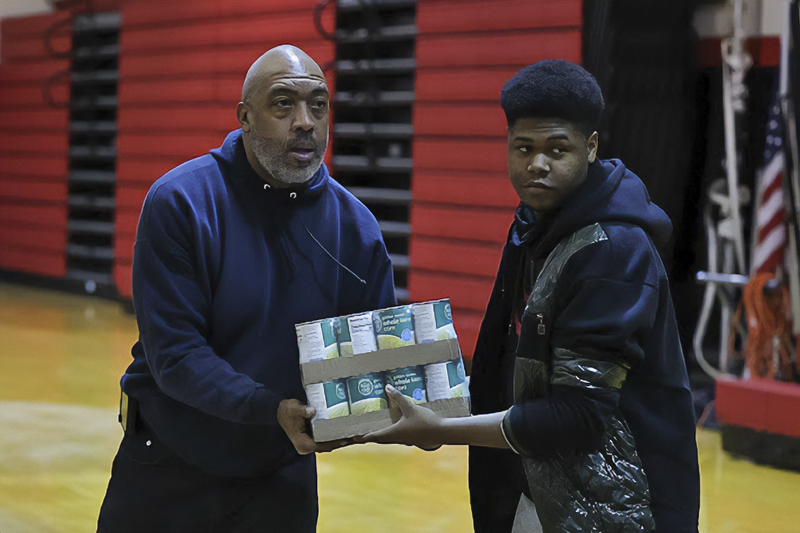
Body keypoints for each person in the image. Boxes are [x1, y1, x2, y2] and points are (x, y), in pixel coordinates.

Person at [360, 60, 700, 533]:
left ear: (591, 147)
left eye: (557, 149)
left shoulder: (613, 250)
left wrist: (441, 429)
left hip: (616, 509)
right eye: (524, 148)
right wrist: (437, 407)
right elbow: (510, 363)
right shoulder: (533, 226)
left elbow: (578, 414)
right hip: (542, 489)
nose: (537, 164)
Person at [97, 45, 396, 533]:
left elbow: (375, 356)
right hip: (168, 463)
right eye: (283, 104)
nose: (305, 121)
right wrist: (270, 408)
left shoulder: (356, 227)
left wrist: (413, 410)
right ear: (245, 118)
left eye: (318, 105)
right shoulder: (181, 202)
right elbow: (175, 356)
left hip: (280, 468)